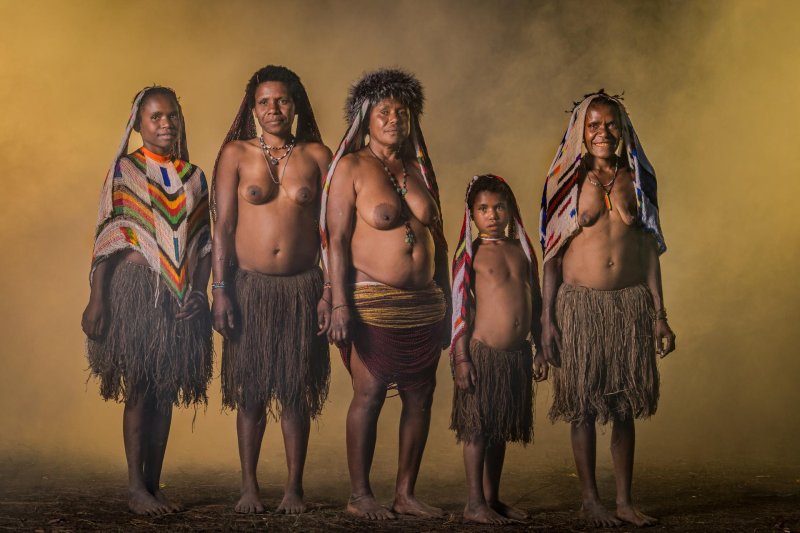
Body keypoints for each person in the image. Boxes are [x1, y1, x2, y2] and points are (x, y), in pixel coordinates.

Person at [539, 90, 676, 527]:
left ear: (623, 128)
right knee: (582, 405)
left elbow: (650, 250)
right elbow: (551, 256)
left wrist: (660, 315)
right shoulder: (564, 181)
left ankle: (623, 501)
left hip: (628, 305)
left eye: (611, 123)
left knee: (623, 406)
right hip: (579, 306)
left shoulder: (638, 177)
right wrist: (546, 320)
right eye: (594, 125)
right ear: (580, 131)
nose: (603, 132)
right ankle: (590, 500)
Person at [322, 68, 451, 520]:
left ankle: (405, 494)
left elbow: (439, 239)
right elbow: (335, 240)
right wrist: (339, 302)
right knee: (370, 391)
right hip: (372, 301)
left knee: (421, 395)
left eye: (402, 111)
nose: (394, 118)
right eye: (384, 112)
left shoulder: (418, 169)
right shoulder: (351, 167)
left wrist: (448, 299)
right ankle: (360, 496)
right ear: (366, 119)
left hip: (424, 303)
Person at [82, 86, 213, 516]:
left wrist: (199, 292)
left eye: (172, 116)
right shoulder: (126, 170)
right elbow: (110, 235)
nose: (165, 124)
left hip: (179, 296)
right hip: (136, 290)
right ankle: (135, 487)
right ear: (138, 124)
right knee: (140, 386)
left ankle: (154, 485)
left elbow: (203, 245)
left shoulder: (194, 176)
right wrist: (97, 299)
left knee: (166, 388)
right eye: (155, 117)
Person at [211, 65, 332, 515]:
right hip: (249, 288)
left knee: (296, 393)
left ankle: (293, 489)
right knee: (251, 393)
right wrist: (220, 289)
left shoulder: (319, 155)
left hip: (303, 289)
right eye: (264, 101)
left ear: (296, 105)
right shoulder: (235, 154)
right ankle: (249, 487)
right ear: (252, 108)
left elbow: (333, 232)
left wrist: (330, 293)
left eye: (282, 100)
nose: (273, 108)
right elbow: (223, 227)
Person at [449, 174, 547, 524]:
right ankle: (474, 503)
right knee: (478, 427)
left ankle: (491, 498)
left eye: (499, 207)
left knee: (499, 427)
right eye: (483, 209)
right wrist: (462, 358)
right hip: (482, 354)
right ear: (471, 214)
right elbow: (459, 309)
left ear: (510, 209)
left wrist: (540, 348)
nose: (492, 215)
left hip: (515, 356)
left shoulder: (523, 250)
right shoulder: (470, 255)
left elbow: (535, 301)